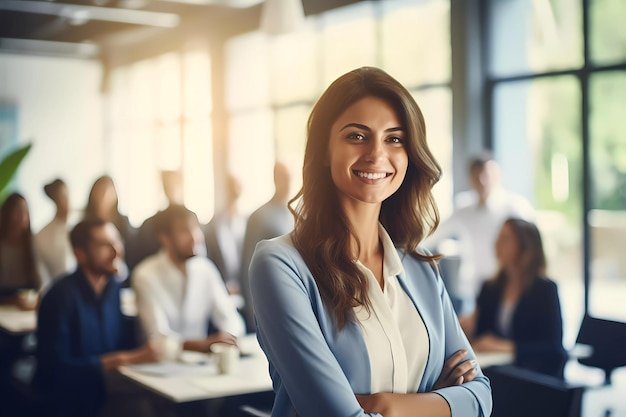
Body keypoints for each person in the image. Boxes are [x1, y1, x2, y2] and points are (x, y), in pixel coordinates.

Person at [249, 67, 492, 417]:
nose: (377, 154)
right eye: (357, 136)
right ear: (323, 150)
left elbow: (481, 397)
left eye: (394, 139)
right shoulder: (281, 265)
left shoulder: (421, 268)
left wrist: (382, 405)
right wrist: (437, 403)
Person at [34, 219, 159, 417]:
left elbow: (119, 342)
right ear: (80, 254)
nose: (116, 251)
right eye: (104, 245)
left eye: (117, 242)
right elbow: (55, 371)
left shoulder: (113, 289)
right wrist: (123, 359)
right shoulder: (60, 297)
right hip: (70, 400)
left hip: (107, 388)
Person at [423, 153, 535, 316]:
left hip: (508, 285)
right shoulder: (464, 207)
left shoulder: (515, 207)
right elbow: (434, 234)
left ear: (497, 175)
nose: (482, 180)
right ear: (471, 178)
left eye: (487, 175)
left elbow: (533, 246)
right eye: (477, 175)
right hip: (473, 288)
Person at [460, 218, 567, 379]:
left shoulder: (545, 290)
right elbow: (482, 335)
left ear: (524, 246)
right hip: (495, 371)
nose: (496, 244)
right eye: (498, 237)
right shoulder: (490, 288)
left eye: (505, 239)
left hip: (534, 376)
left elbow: (554, 348)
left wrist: (505, 347)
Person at [131, 204, 245, 354]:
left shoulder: (205, 269)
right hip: (161, 366)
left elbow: (231, 319)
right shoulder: (144, 274)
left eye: (196, 229)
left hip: (203, 364)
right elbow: (158, 340)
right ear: (164, 238)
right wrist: (205, 344)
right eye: (184, 231)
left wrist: (228, 338)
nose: (194, 237)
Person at [239, 161, 294, 332]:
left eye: (289, 177)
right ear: (275, 179)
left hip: (289, 296)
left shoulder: (292, 214)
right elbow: (247, 262)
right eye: (283, 177)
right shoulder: (260, 217)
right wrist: (251, 308)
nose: (288, 181)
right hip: (266, 296)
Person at [0, 192, 48, 308]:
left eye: (25, 211)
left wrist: (34, 299)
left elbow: (42, 281)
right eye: (17, 211)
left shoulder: (33, 244)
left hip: (26, 300)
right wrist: (10, 300)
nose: (22, 217)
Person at [83, 175, 134, 280]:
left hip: (120, 273)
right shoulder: (85, 224)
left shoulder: (122, 221)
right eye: (101, 191)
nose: (105, 195)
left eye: (108, 191)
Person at [204, 173, 247, 294]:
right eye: (232, 187)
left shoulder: (246, 221)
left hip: (244, 288)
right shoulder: (215, 223)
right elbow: (210, 257)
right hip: (223, 288)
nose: (235, 191)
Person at [34, 178, 76, 282]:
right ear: (54, 200)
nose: (65, 203)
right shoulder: (42, 236)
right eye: (61, 198)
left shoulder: (78, 228)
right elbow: (42, 275)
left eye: (66, 197)